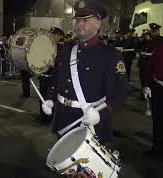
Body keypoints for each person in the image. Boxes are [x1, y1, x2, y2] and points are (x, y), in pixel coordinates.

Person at [42, 0, 127, 145]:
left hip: (89, 121)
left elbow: (120, 92)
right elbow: (56, 79)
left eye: (85, 20)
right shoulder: (66, 50)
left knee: (83, 166)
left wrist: (101, 114)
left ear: (98, 23)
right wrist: (50, 98)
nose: (80, 24)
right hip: (63, 117)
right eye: (78, 20)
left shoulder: (110, 55)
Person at [141, 23, 163, 160]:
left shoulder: (162, 45)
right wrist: (147, 85)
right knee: (158, 121)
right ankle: (157, 148)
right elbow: (150, 66)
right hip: (158, 88)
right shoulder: (162, 45)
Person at [38, 27, 65, 124]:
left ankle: (49, 117)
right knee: (42, 98)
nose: (54, 37)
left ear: (59, 36)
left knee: (51, 98)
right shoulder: (45, 47)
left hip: (54, 78)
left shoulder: (62, 48)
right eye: (52, 35)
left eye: (56, 35)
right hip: (44, 76)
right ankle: (43, 115)